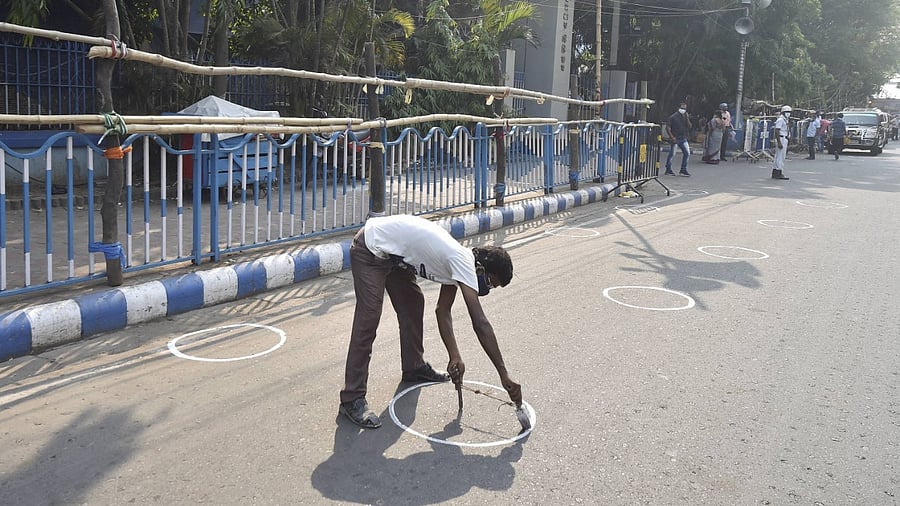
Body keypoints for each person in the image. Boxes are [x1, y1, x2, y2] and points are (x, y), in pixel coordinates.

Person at [339, 214, 522, 429]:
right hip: (371, 248)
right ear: (481, 269)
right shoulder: (462, 262)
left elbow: (442, 311)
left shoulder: (460, 264)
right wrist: (504, 375)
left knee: (413, 302)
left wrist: (454, 356)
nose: (487, 289)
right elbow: (480, 323)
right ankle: (352, 398)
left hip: (393, 256)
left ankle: (414, 367)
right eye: (491, 283)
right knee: (368, 320)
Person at [665, 102, 692, 176]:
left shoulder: (685, 117)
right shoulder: (673, 117)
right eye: (682, 108)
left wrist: (687, 118)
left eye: (685, 108)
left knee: (687, 153)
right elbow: (668, 128)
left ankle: (683, 169)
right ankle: (668, 169)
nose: (683, 110)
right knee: (672, 154)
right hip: (675, 138)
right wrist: (672, 137)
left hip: (683, 137)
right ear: (678, 108)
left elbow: (690, 126)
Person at [772, 105, 791, 180]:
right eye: (787, 112)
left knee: (780, 156)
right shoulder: (780, 119)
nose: (788, 113)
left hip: (784, 138)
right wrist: (779, 142)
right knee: (780, 157)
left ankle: (776, 172)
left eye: (789, 112)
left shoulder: (785, 120)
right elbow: (777, 131)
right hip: (781, 138)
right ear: (783, 112)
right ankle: (778, 172)